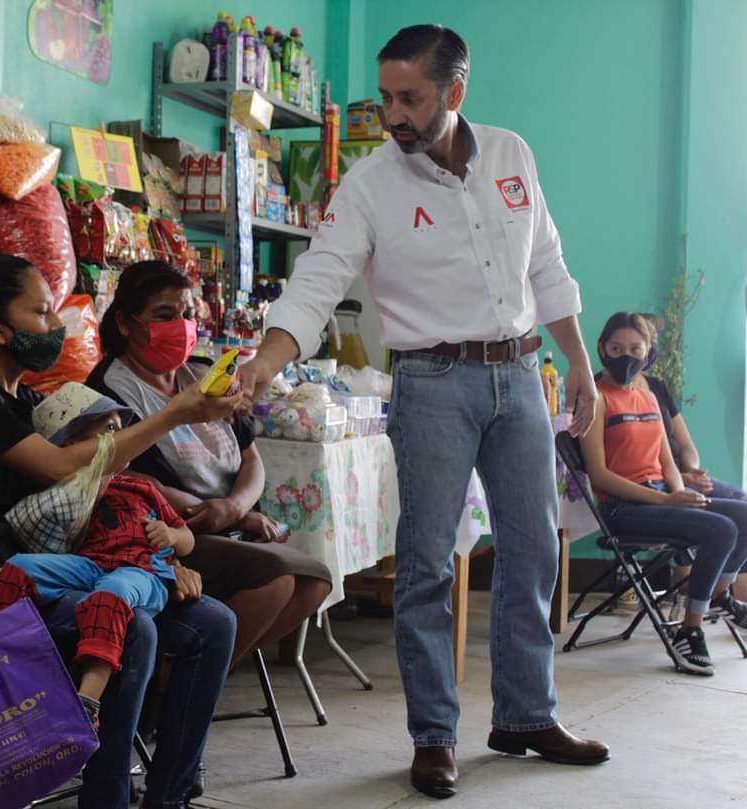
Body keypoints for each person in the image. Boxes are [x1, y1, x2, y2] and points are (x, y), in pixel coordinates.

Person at [238, 24, 610, 799]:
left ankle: (526, 715)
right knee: (426, 564)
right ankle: (433, 735)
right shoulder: (369, 183)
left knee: (533, 551)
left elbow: (547, 263)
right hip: (432, 382)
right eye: (385, 97)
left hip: (519, 374)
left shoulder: (512, 154)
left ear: (455, 90)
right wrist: (264, 366)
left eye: (410, 97)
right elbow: (315, 283)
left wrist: (577, 360)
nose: (393, 114)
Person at [0, 254, 239, 809]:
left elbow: (98, 501)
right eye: (40, 312)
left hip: (61, 572)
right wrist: (174, 414)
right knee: (132, 630)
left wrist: (156, 557)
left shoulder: (32, 403)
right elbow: (64, 470)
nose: (55, 326)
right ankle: (105, 800)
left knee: (213, 623)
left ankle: (169, 796)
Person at [87, 261, 333, 667]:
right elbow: (130, 477)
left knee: (314, 580)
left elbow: (250, 454)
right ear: (125, 324)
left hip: (228, 524)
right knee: (274, 579)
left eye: (185, 314)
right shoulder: (108, 392)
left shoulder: (204, 375)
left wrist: (236, 507)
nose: (180, 325)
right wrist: (224, 516)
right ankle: (177, 687)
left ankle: (204, 676)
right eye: (164, 316)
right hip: (165, 536)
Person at [0, 382, 196, 728]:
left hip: (139, 572)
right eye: (110, 431)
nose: (122, 439)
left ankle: (87, 700)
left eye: (121, 429)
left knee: (110, 596)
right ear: (72, 446)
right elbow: (45, 534)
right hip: (91, 565)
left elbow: (188, 538)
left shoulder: (139, 487)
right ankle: (3, 671)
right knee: (18, 569)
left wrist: (172, 536)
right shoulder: (66, 495)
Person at [579, 312, 747, 673]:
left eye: (635, 348)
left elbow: (666, 460)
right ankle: (690, 630)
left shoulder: (649, 396)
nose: (626, 355)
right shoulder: (596, 398)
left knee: (743, 515)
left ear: (648, 352)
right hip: (622, 508)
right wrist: (668, 501)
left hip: (659, 494)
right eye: (616, 347)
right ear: (602, 350)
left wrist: (679, 492)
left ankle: (720, 596)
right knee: (722, 529)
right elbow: (600, 475)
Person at [629, 315, 747, 603]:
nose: (632, 355)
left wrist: (692, 470)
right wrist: (681, 480)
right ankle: (702, 592)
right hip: (655, 481)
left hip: (681, 473)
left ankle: (723, 591)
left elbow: (686, 444)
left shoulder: (657, 388)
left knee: (741, 500)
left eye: (640, 346)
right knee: (727, 519)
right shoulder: (606, 393)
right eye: (622, 348)